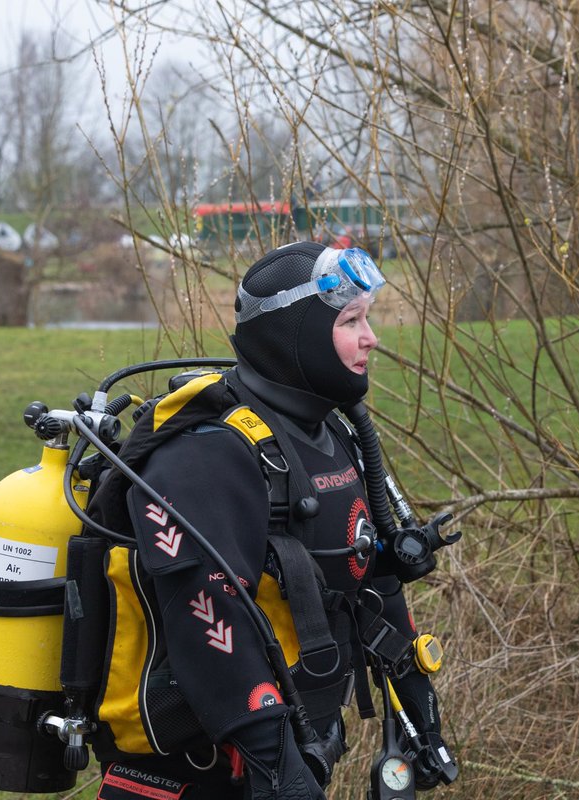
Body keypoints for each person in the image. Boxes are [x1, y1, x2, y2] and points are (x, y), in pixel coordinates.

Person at [92, 242, 453, 799]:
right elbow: (203, 614)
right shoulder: (207, 453)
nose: (371, 338)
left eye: (367, 319)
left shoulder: (332, 434)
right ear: (294, 334)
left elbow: (368, 575)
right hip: (199, 769)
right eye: (351, 321)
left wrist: (417, 710)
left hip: (293, 748)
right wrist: (277, 767)